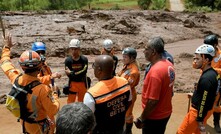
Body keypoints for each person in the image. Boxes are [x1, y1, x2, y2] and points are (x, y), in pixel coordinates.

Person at [1, 33, 60, 134]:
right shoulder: (43, 89)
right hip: (40, 128)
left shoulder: (16, 77)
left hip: (26, 124)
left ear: (22, 67)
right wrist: (55, 95)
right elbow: (53, 110)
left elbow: (5, 62)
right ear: (40, 66)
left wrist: (7, 48)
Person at [134, 37, 175, 134]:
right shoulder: (168, 64)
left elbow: (153, 101)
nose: (144, 51)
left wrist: (141, 118)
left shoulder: (155, 72)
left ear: (153, 52)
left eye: (146, 49)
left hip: (154, 117)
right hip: (165, 112)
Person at [84, 55, 132, 134]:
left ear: (99, 70)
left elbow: (87, 120)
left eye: (94, 66)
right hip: (120, 129)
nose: (93, 68)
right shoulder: (124, 82)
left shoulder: (91, 94)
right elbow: (129, 102)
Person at [177, 44, 218, 134]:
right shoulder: (212, 73)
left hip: (197, 112)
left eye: (198, 59)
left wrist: (199, 119)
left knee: (181, 132)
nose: (195, 61)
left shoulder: (206, 79)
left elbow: (204, 101)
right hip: (205, 111)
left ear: (206, 60)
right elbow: (208, 94)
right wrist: (196, 94)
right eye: (195, 58)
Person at [32, 41, 61, 134]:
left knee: (51, 123)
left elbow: (49, 79)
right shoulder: (33, 68)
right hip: (39, 98)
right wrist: (51, 77)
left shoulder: (45, 66)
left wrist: (53, 86)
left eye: (42, 52)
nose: (41, 55)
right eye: (38, 52)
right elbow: (35, 80)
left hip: (47, 95)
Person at [118, 47, 140, 134]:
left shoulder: (133, 71)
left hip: (129, 94)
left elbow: (128, 84)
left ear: (132, 58)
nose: (123, 59)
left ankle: (128, 131)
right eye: (123, 56)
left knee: (128, 114)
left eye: (125, 57)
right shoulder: (126, 66)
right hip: (124, 93)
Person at [204, 34, 221, 133]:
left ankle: (216, 123)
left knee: (216, 104)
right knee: (203, 101)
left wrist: (212, 70)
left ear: (215, 45)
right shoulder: (206, 53)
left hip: (218, 83)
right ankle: (201, 120)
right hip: (206, 81)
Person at [65, 39, 88, 103]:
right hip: (72, 84)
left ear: (79, 49)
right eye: (72, 49)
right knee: (70, 103)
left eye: (75, 49)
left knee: (82, 102)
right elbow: (68, 74)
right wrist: (73, 74)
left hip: (82, 83)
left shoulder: (84, 59)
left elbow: (84, 71)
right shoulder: (68, 61)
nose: (73, 51)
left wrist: (72, 73)